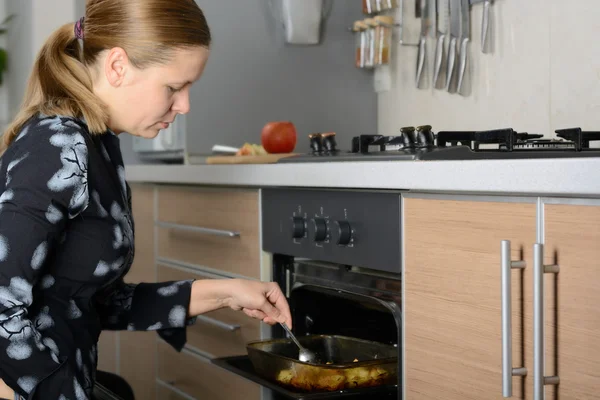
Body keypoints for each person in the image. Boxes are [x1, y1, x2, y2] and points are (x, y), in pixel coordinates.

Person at [0, 0, 292, 399]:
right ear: (118, 66)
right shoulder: (60, 146)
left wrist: (227, 291)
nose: (185, 105)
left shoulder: (100, 146)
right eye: (174, 87)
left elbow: (91, 300)